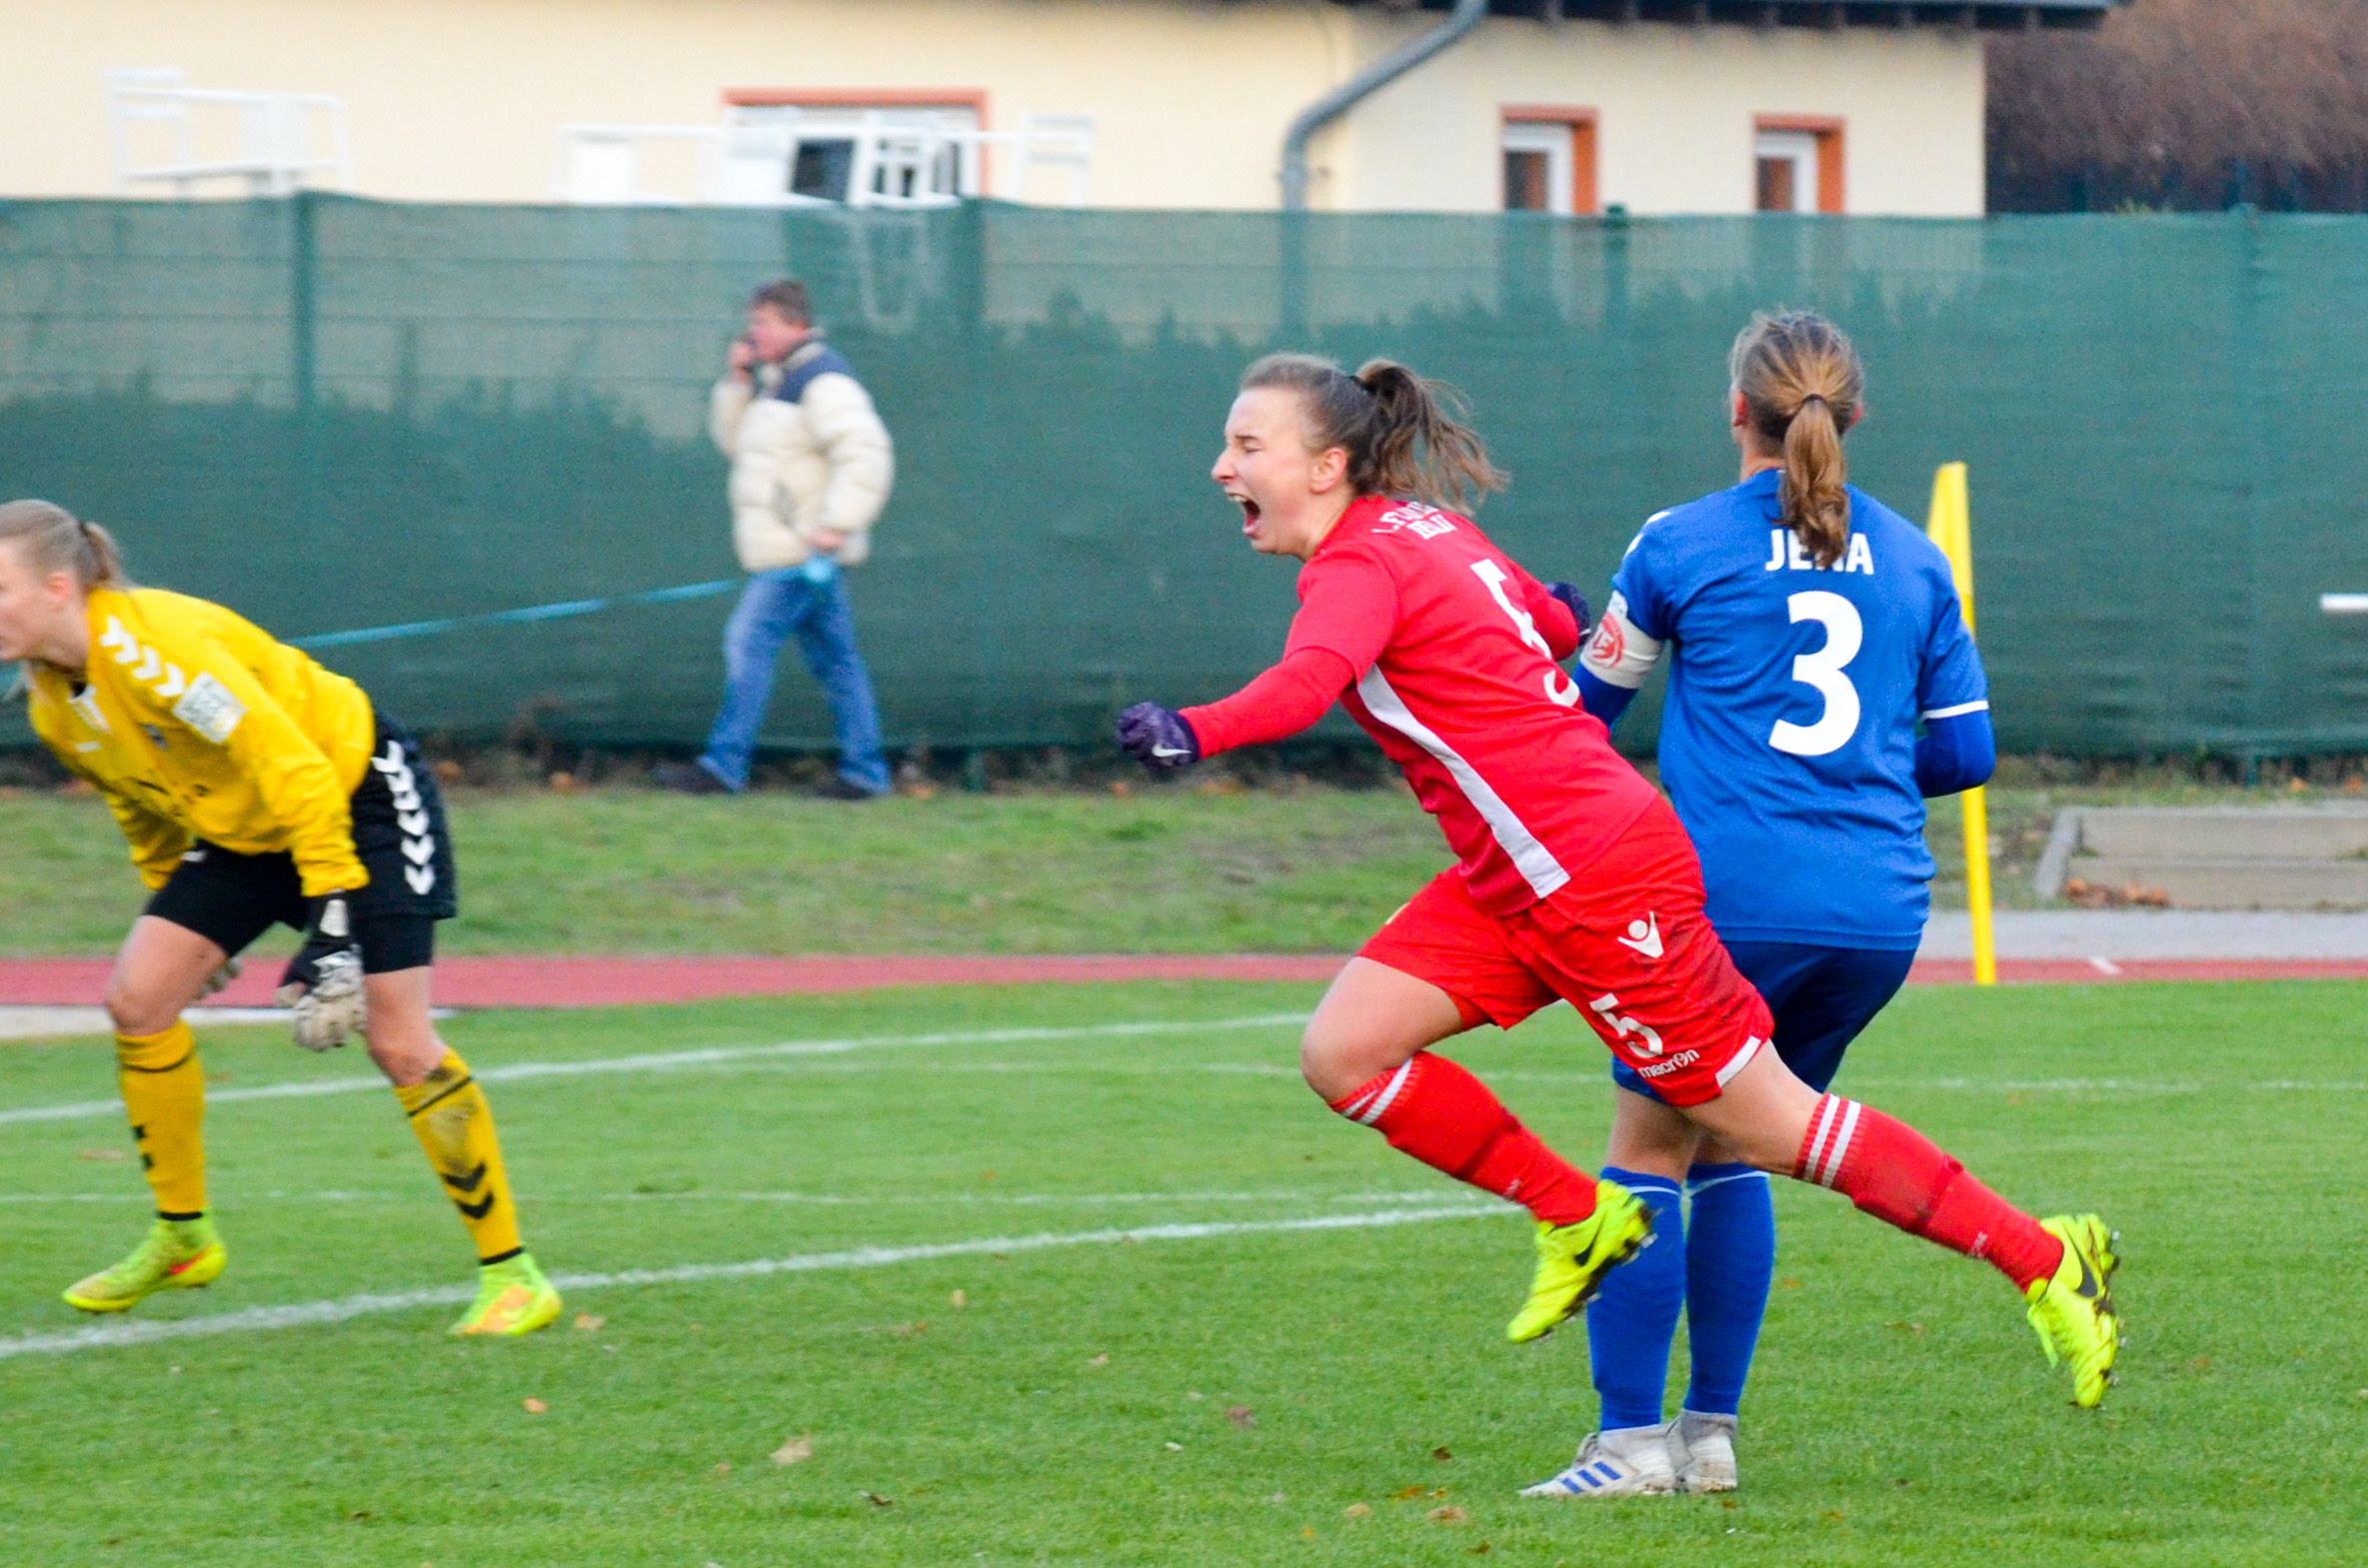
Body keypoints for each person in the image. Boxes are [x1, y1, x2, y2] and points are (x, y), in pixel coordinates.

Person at [1113, 353, 2117, 1492]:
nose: (1222, 466)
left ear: (1328, 463)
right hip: (1514, 876)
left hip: (1591, 879)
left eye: (1247, 446)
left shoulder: (1357, 565)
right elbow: (1548, 614)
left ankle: (2043, 1258)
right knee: (1342, 1049)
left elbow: (1308, 683)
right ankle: (1570, 1222)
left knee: (1770, 1128)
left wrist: (1190, 731)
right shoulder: (1426, 531)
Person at [1554, 310, 2002, 1497]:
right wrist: (1845, 775)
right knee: (1742, 1142)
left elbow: (1576, 721)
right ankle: (1709, 1440)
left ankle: (1626, 1447)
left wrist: (1551, 642)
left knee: (1646, 1145)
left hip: (1722, 904)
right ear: (1854, 416)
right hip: (1871, 914)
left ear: (1733, 410)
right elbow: (1966, 754)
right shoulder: (1913, 558)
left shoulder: (1678, 542)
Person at [0, 499, 562, 1336]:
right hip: (248, 825)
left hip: (355, 790)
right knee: (139, 999)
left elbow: (291, 764)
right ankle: (184, 1236)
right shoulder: (52, 703)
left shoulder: (153, 652)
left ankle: (514, 1274)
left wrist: (333, 915)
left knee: (400, 1042)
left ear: (56, 586)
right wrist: (169, 892)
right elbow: (139, 799)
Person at [656, 278, 896, 799]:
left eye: (762, 322)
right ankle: (866, 772)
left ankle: (724, 766)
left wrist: (837, 524)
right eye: (752, 323)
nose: (752, 333)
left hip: (800, 550)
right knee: (837, 662)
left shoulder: (824, 381)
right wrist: (737, 385)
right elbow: (741, 448)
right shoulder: (776, 382)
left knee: (749, 642)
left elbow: (868, 452)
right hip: (799, 554)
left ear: (795, 324)